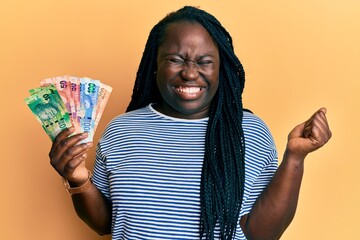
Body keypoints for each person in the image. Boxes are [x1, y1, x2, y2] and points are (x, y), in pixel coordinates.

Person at [49, 6, 332, 240]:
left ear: (221, 69)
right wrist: (77, 179)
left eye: (205, 61)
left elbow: (261, 234)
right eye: (175, 59)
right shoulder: (122, 130)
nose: (190, 73)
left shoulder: (249, 132)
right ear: (155, 64)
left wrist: (295, 158)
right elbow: (106, 223)